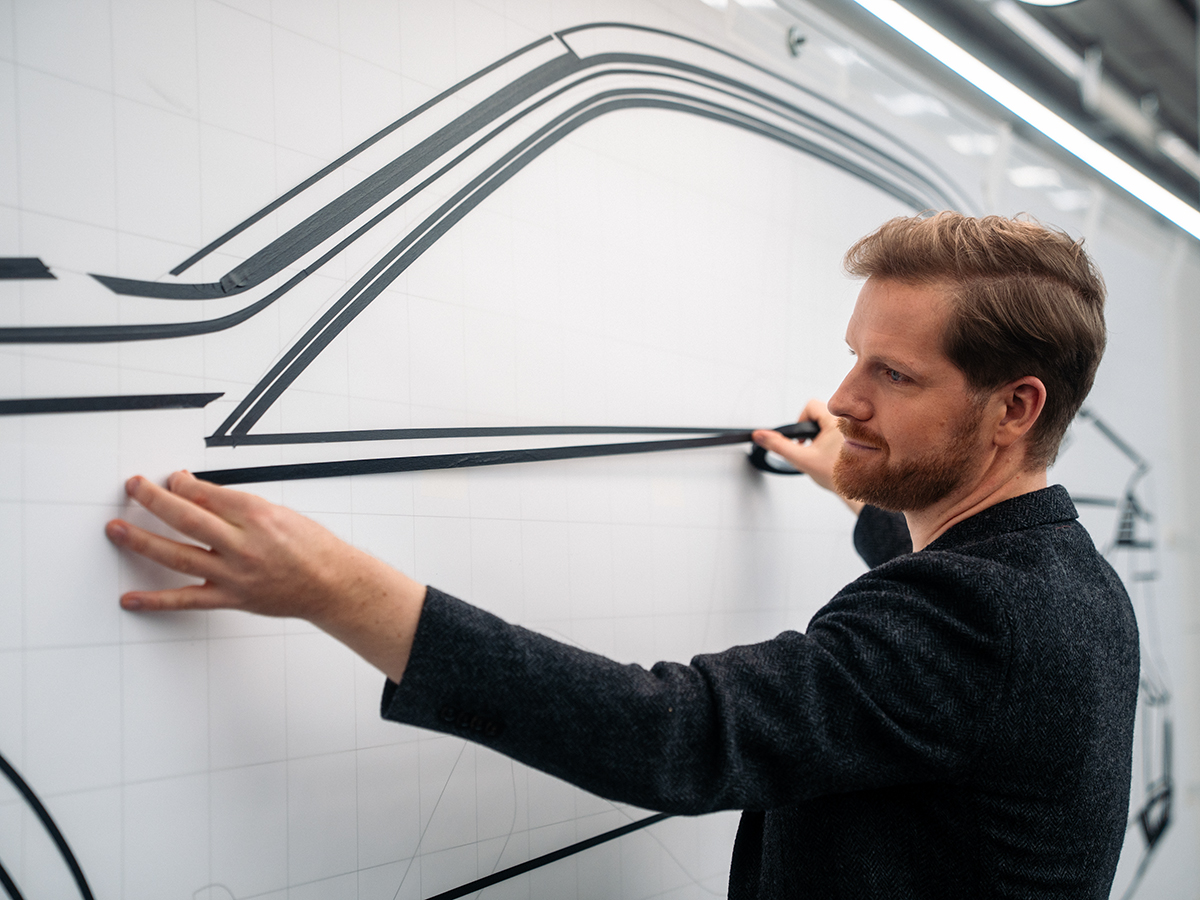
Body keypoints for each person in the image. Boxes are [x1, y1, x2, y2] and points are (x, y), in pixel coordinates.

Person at [105, 212, 1139, 899]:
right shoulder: (1064, 577)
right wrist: (862, 483)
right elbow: (927, 656)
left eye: (893, 374)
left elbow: (676, 736)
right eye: (852, 355)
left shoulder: (977, 620)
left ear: (1014, 407)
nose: (847, 399)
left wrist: (339, 589)